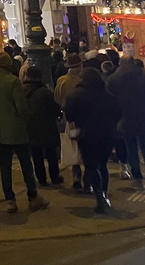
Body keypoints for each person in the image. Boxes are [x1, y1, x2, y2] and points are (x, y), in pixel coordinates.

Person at [0, 51, 47, 213]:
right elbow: (21, 106)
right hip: (17, 129)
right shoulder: (13, 81)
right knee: (25, 164)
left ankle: (10, 199)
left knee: (5, 167)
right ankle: (32, 196)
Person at [64, 67, 121, 213]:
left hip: (87, 134)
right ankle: (105, 193)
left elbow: (69, 115)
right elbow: (118, 114)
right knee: (103, 164)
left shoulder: (76, 95)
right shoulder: (108, 95)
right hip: (107, 133)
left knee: (91, 165)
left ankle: (99, 195)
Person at [107, 57, 145, 189]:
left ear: (120, 63)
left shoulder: (113, 79)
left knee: (131, 148)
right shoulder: (144, 76)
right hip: (144, 117)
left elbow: (110, 99)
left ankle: (137, 177)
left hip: (125, 118)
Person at [22, 66, 62, 186]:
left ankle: (41, 179)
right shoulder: (46, 92)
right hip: (47, 126)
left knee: (36, 155)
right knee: (51, 153)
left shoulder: (21, 90)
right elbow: (55, 109)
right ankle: (54, 177)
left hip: (30, 127)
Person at [54, 52, 85, 189]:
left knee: (73, 146)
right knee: (86, 147)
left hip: (69, 118)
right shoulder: (83, 79)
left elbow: (56, 98)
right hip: (86, 118)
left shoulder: (62, 80)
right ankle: (88, 179)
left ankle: (76, 174)